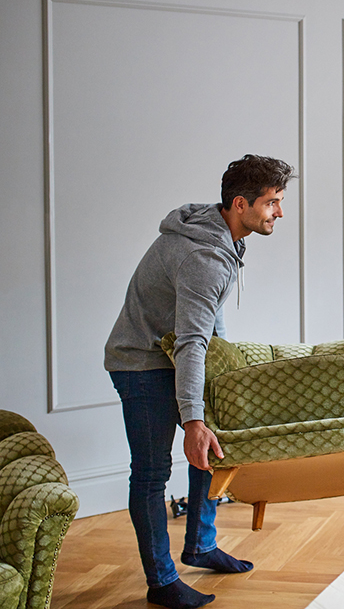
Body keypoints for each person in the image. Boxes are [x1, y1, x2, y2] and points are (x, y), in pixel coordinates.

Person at [104, 154, 296, 609]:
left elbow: (209, 321)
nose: (279, 213)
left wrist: (225, 371)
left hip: (175, 357)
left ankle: (201, 545)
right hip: (142, 364)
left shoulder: (219, 234)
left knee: (211, 450)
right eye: (272, 203)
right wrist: (193, 420)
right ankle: (162, 580)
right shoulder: (203, 255)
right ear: (240, 203)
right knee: (152, 475)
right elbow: (192, 340)